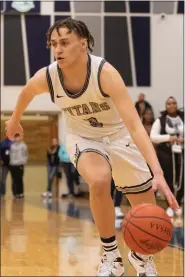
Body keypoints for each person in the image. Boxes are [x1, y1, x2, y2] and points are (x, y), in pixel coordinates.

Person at [5, 18, 178, 276]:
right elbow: (26, 93)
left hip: (120, 136)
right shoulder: (49, 77)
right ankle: (112, 257)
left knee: (145, 209)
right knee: (98, 180)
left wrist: (158, 173)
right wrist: (15, 120)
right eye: (54, 44)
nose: (58, 49)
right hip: (84, 137)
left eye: (65, 42)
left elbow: (135, 125)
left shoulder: (105, 74)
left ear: (83, 44)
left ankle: (142, 258)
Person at [150, 96, 184, 218]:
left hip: (181, 154)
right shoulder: (161, 120)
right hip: (166, 154)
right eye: (169, 103)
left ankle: (178, 203)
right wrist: (170, 138)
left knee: (181, 180)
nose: (172, 105)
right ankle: (169, 205)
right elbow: (153, 137)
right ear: (166, 106)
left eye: (174, 103)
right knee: (168, 179)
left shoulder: (182, 118)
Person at [9, 133, 28, 198]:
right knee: (14, 179)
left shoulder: (23, 146)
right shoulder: (12, 146)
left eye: (18, 137)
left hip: (20, 164)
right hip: (13, 164)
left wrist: (23, 161)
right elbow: (10, 155)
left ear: (20, 138)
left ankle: (21, 192)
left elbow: (25, 155)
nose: (17, 139)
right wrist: (11, 162)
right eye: (16, 137)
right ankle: (15, 193)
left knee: (20, 179)